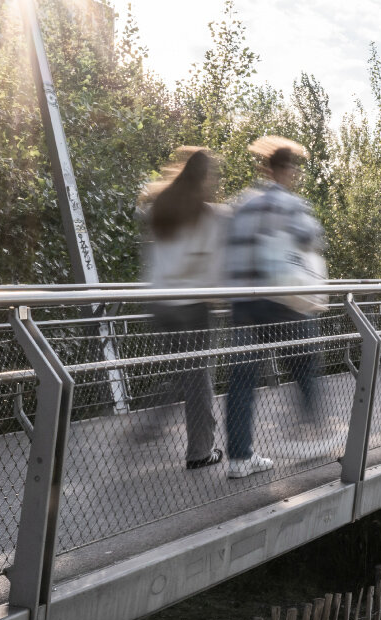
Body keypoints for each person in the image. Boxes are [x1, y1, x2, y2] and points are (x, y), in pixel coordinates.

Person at [223, 135, 327, 478]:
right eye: (293, 169)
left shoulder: (242, 203)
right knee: (305, 360)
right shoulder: (291, 203)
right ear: (286, 170)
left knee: (241, 378)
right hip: (280, 300)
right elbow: (311, 238)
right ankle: (310, 431)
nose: (294, 175)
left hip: (242, 303)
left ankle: (239, 458)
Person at [137, 147, 225, 469]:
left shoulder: (160, 206)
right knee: (197, 377)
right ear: (204, 178)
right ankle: (201, 452)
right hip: (191, 305)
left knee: (182, 372)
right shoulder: (205, 214)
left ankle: (148, 423)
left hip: (159, 303)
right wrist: (218, 295)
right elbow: (211, 265)